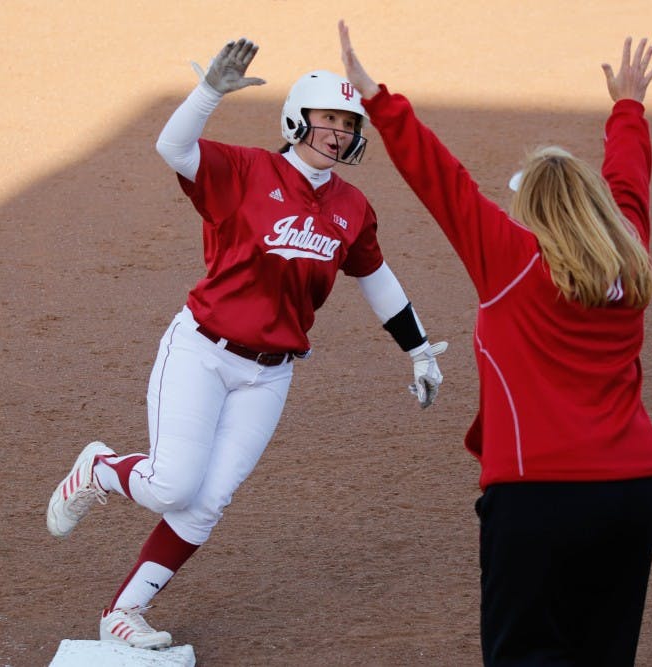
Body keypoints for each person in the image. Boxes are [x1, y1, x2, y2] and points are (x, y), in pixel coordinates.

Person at [45, 37, 448, 649]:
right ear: (298, 119)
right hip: (202, 351)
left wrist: (417, 349)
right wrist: (208, 92)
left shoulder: (351, 207)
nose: (339, 133)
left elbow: (375, 277)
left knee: (206, 504)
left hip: (270, 373)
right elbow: (172, 147)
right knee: (174, 485)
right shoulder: (245, 171)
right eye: (329, 119)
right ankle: (99, 470)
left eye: (348, 123)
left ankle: (123, 613)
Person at [338, 21, 652, 666]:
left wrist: (377, 100)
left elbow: (444, 181)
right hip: (634, 488)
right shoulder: (631, 252)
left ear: (535, 214)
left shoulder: (513, 262)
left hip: (536, 493)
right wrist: (628, 106)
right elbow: (629, 181)